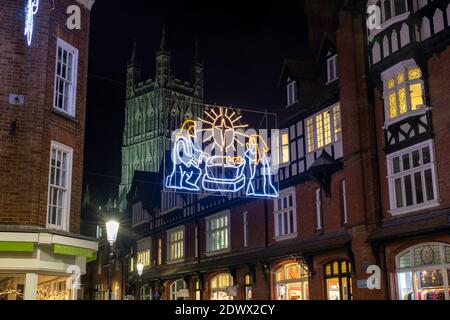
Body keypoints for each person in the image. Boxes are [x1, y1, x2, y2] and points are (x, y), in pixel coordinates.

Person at [166, 120, 205, 191]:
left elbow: (194, 151)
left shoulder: (190, 142)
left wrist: (200, 156)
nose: (193, 135)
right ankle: (183, 182)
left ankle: (189, 182)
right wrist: (190, 159)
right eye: (192, 133)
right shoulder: (181, 140)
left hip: (187, 162)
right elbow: (179, 154)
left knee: (197, 170)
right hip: (180, 163)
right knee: (188, 170)